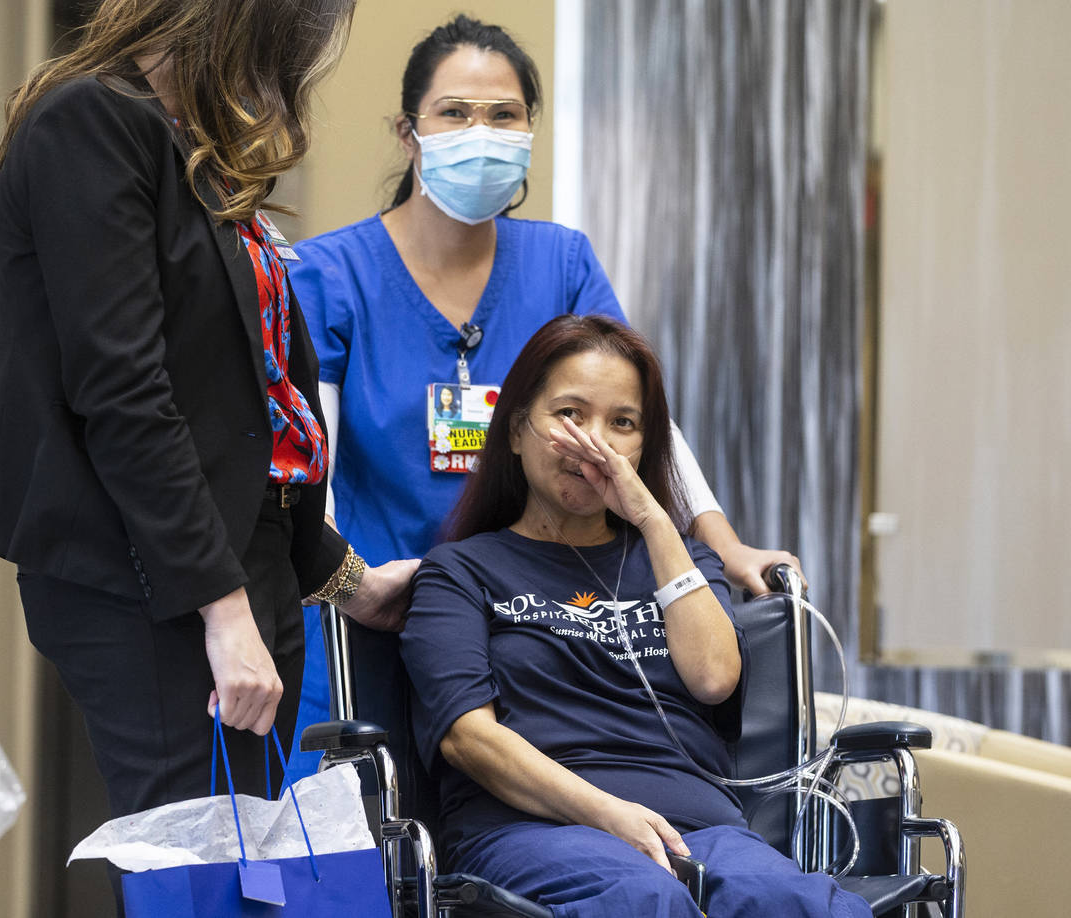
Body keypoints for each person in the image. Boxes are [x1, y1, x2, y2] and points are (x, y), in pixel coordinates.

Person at [0, 0, 415, 905]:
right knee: (204, 881)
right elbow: (124, 392)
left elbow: (239, 408)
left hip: (241, 568)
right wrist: (223, 611)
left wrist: (344, 577)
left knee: (244, 880)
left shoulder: (186, 144)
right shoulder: (91, 119)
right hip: (155, 583)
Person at [286, 14, 802, 773]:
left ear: (531, 128)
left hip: (529, 625)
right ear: (408, 133)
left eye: (504, 115)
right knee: (365, 845)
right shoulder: (331, 274)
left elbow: (642, 422)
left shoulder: (560, 262)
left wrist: (722, 546)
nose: (481, 131)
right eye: (455, 113)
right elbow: (308, 461)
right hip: (375, 619)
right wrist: (349, 581)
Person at [398, 315, 869, 918]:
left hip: (701, 829)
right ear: (517, 431)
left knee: (801, 903)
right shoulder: (460, 571)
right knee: (643, 899)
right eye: (571, 415)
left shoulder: (682, 559)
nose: (596, 443)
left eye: (623, 423)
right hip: (533, 829)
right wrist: (605, 811)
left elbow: (713, 677)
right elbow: (469, 739)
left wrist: (651, 520)